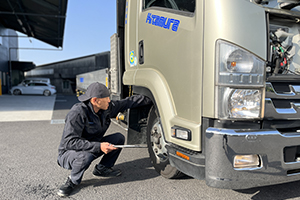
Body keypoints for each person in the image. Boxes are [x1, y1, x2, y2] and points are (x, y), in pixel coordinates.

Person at [57, 82, 151, 197]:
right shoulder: (77, 113)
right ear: (95, 100)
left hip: (92, 146)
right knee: (85, 157)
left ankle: (102, 168)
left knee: (118, 138)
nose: (109, 101)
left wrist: (151, 98)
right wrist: (99, 146)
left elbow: (127, 102)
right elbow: (69, 142)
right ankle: (72, 181)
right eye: (106, 98)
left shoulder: (106, 108)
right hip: (70, 153)